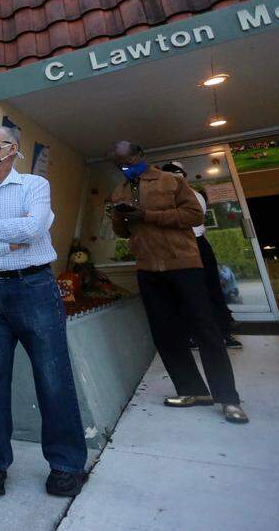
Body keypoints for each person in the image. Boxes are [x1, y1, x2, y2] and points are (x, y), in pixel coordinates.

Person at [0, 126, 87, 498]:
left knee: (52, 377)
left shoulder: (34, 186)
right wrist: (3, 244)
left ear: (12, 149)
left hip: (35, 289)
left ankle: (66, 465)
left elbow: (35, 227)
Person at [108, 142, 247, 424]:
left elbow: (194, 215)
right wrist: (119, 216)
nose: (124, 166)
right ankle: (192, 390)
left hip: (182, 264)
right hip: (148, 268)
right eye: (118, 163)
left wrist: (147, 215)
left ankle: (228, 398)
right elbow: (122, 231)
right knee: (165, 332)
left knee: (205, 329)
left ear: (140, 155)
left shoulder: (170, 181)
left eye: (127, 160)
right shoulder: (120, 190)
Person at [159, 162, 241, 349]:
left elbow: (186, 220)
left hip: (196, 243)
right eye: (170, 176)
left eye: (178, 175)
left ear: (183, 176)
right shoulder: (163, 199)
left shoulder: (195, 195)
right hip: (176, 246)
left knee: (211, 287)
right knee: (184, 291)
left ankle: (224, 332)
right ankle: (191, 334)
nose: (175, 179)